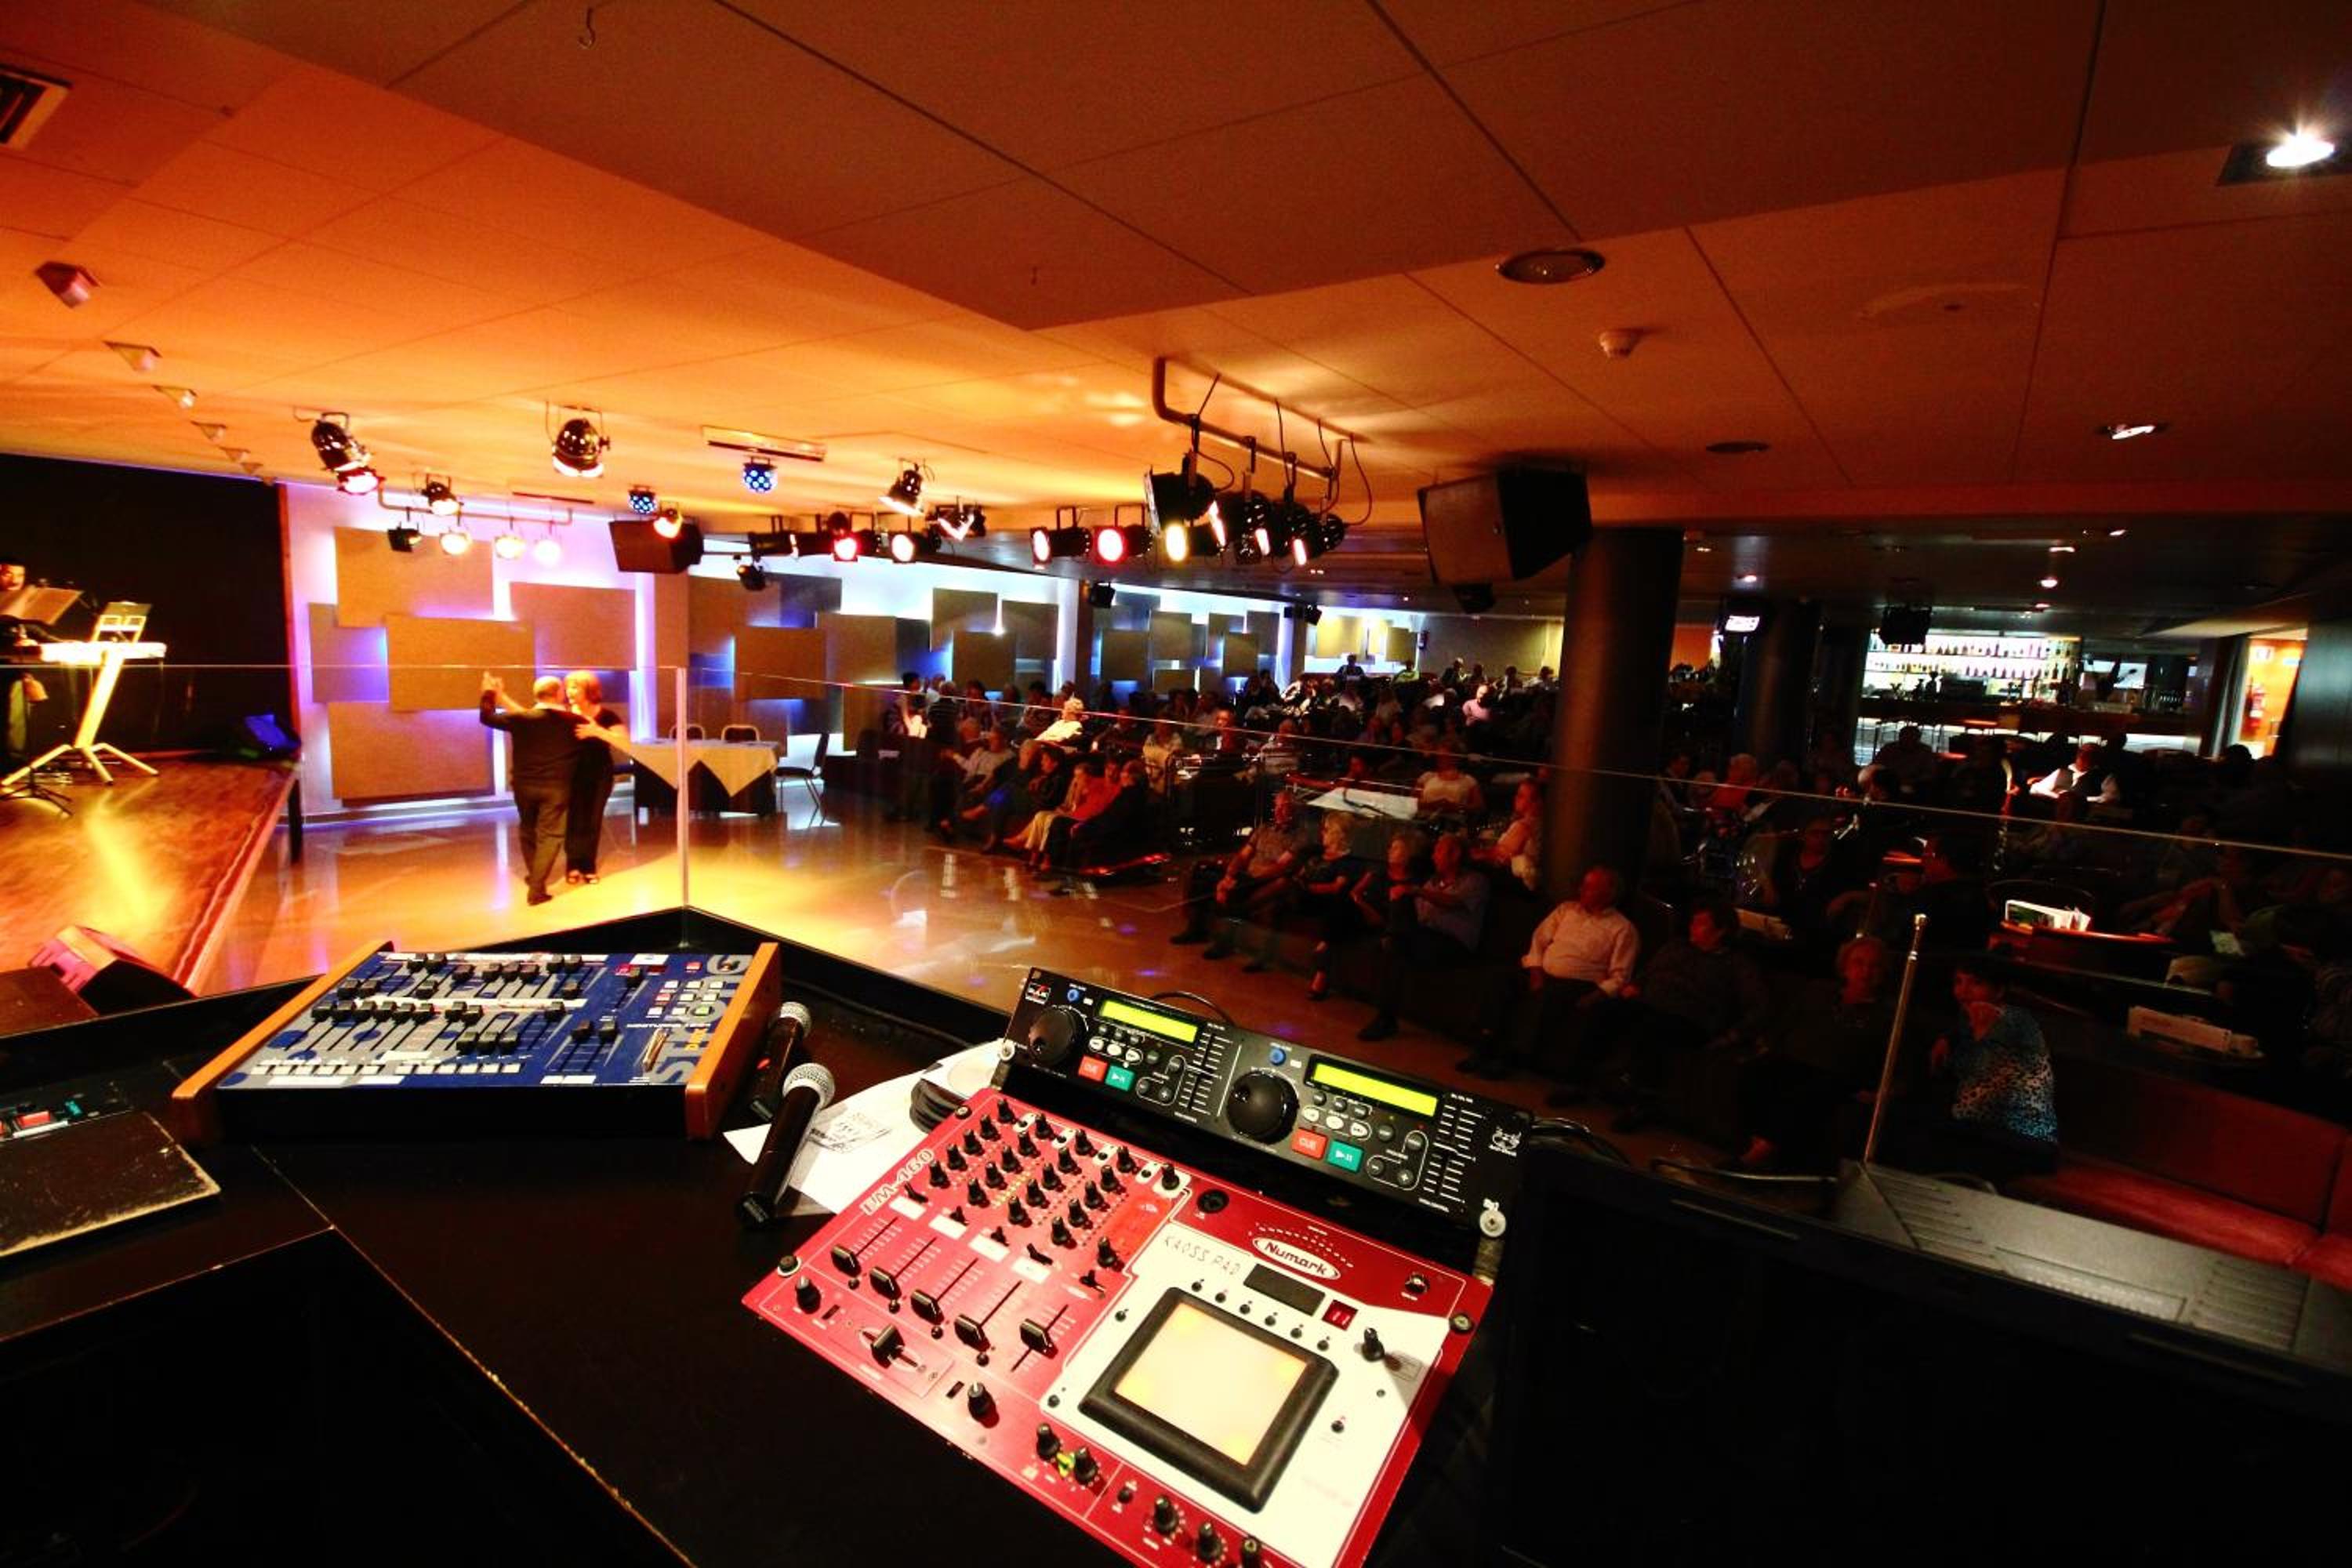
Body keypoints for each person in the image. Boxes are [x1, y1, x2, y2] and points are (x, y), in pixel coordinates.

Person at [1581, 900, 1772, 1131]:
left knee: (1653, 1028)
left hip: (1693, 1019)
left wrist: (1732, 1036)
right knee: (1606, 1010)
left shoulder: (1736, 964)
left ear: (1721, 930)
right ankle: (1582, 1081)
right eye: (1693, 922)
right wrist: (1636, 985)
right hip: (1651, 1004)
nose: (1693, 927)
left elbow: (1759, 1007)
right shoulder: (1677, 947)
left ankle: (1642, 1103)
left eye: (1700, 924)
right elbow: (1649, 972)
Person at [1866, 956, 2058, 1182]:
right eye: (1959, 982)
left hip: (2017, 1136)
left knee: (1915, 1133)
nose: (1964, 991)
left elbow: (1982, 1097)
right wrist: (1947, 1038)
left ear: (1999, 991)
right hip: (1977, 1124)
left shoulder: (2015, 1025)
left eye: (1976, 983)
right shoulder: (1969, 1020)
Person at [1724, 936, 1896, 1172]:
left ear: (1883, 973)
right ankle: (1759, 1150)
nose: (1866, 972)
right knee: (1753, 1073)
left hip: (1839, 1075)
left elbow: (1896, 1062)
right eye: (1859, 963)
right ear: (1845, 966)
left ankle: (1754, 1158)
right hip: (1795, 1062)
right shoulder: (1819, 991)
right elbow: (1786, 1024)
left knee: (1810, 1092)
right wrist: (1768, 1048)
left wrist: (1883, 1092)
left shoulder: (1888, 1014)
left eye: (1874, 966)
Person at [1464, 864, 1639, 1080]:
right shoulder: (1566, 910)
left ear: (1609, 894)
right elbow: (1539, 940)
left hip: (1578, 983)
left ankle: (1510, 1058)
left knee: (1546, 997)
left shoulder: (1623, 929)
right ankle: (1484, 1043)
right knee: (1501, 978)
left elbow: (1621, 975)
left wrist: (1596, 996)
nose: (1581, 890)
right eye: (1583, 885)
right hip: (1543, 972)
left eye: (1589, 887)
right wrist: (1536, 971)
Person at [1358, 831, 1489, 1042]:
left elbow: (1453, 902)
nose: (1433, 856)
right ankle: (1385, 1018)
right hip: (1425, 938)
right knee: (1396, 945)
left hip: (1454, 945)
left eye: (1438, 851)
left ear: (1455, 854)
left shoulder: (1475, 881)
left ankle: (1385, 1019)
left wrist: (1415, 892)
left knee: (1395, 944)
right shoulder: (1432, 883)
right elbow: (1419, 915)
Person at [479, 672, 582, 906]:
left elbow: (487, 717)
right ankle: (537, 888)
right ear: (559, 694)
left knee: (528, 830)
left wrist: (489, 694)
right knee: (551, 836)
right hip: (557, 787)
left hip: (524, 787)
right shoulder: (574, 721)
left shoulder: (523, 719)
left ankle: (535, 876)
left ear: (537, 695)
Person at [1174, 790, 1310, 953]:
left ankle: (1226, 942)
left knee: (1235, 892)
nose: (1278, 811)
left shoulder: (1300, 837)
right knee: (1201, 875)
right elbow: (1243, 855)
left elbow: (1281, 866)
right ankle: (1196, 930)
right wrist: (1230, 874)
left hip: (1262, 880)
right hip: (1245, 876)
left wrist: (1245, 881)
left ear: (1295, 810)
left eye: (1284, 807)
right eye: (1276, 806)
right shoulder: (1264, 829)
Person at [560, 671, 623, 884]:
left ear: (589, 690)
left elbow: (625, 742)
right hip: (571, 774)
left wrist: (597, 732)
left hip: (599, 774)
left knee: (593, 819)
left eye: (575, 687)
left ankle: (588, 865)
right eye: (568, 687)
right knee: (573, 819)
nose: (569, 692)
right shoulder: (563, 714)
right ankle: (573, 864)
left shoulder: (607, 716)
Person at [1471, 779, 1544, 893]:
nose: (1516, 798)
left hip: (1512, 881)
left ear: (1536, 802)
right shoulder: (1539, 823)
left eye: (1521, 796)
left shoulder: (1524, 826)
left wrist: (1471, 854)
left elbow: (1499, 857)